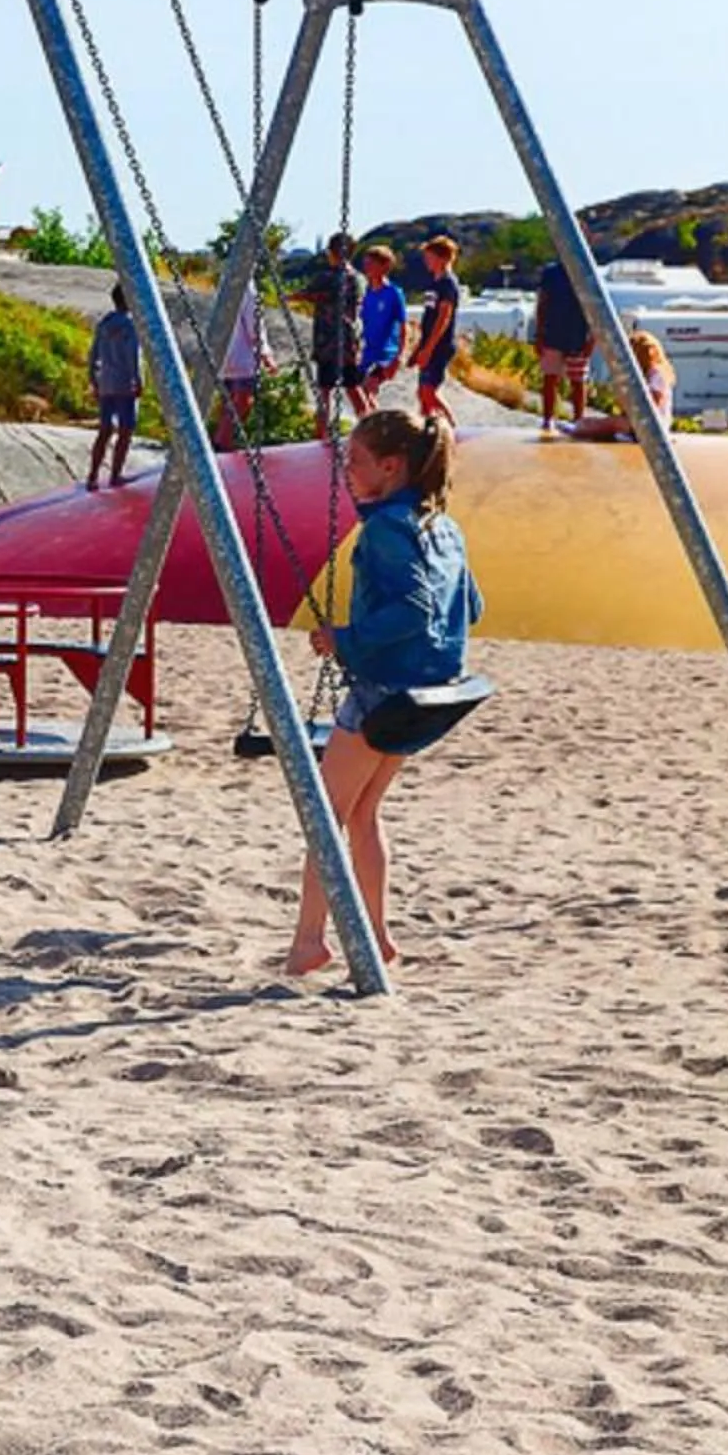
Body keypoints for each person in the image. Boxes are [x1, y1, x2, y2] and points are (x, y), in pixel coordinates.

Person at [287, 409, 482, 978]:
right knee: (364, 812)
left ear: (391, 467)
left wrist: (344, 637)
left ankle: (308, 942)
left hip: (384, 694)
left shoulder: (386, 529)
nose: (346, 470)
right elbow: (470, 606)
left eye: (356, 461)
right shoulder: (443, 526)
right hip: (430, 692)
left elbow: (414, 609)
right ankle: (377, 934)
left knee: (325, 815)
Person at [308, 233, 367, 433]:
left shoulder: (329, 278)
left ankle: (321, 434)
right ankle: (370, 426)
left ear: (331, 252)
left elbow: (308, 294)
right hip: (350, 339)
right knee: (353, 387)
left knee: (325, 391)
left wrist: (287, 297)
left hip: (328, 342)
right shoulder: (358, 278)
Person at [567, 329, 674, 440]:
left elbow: (652, 405)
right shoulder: (645, 373)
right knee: (602, 422)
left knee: (608, 424)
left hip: (653, 425)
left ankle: (578, 429)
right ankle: (580, 426)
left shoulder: (657, 374)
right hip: (640, 422)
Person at [86, 282, 142, 491]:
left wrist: (93, 377)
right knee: (126, 430)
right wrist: (137, 379)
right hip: (125, 383)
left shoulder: (104, 324)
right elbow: (132, 355)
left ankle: (92, 475)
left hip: (106, 382)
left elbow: (94, 353)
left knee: (105, 429)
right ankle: (115, 474)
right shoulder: (130, 325)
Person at [531, 256, 593, 432]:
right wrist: (539, 334)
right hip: (553, 333)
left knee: (578, 381)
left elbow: (597, 306)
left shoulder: (587, 272)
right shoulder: (551, 272)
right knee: (550, 378)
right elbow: (542, 303)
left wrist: (592, 339)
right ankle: (548, 419)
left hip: (579, 334)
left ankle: (579, 420)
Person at [408, 235, 463, 424]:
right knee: (422, 395)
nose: (426, 262)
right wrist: (418, 348)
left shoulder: (448, 284)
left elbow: (443, 318)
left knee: (428, 391)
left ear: (443, 258)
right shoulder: (434, 284)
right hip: (428, 343)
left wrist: (429, 348)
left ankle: (452, 426)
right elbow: (429, 318)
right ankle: (428, 429)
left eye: (430, 257)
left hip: (440, 345)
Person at [214, 281, 272, 449]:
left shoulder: (226, 283)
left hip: (226, 352)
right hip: (242, 354)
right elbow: (254, 323)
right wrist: (265, 352)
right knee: (243, 400)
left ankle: (223, 439)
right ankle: (222, 441)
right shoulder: (247, 289)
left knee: (230, 400)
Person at [356, 244, 407, 411]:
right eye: (366, 264)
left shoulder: (393, 293)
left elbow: (403, 325)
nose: (367, 268)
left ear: (385, 266)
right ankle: (375, 425)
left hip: (385, 352)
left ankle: (378, 427)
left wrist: (399, 356)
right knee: (361, 394)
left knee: (367, 390)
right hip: (367, 352)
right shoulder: (365, 293)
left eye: (371, 264)